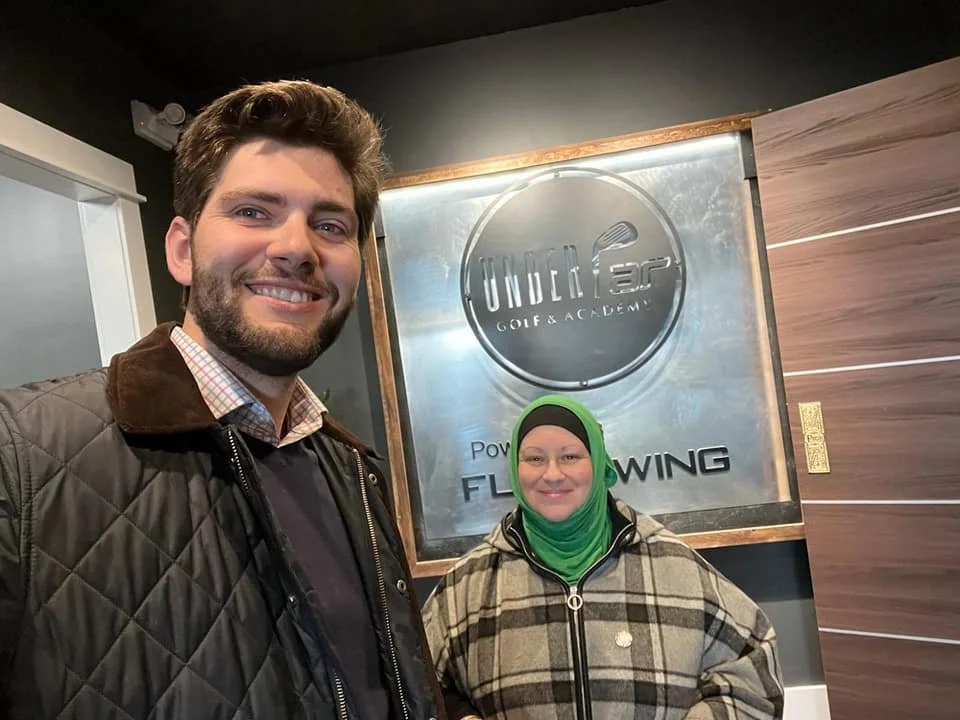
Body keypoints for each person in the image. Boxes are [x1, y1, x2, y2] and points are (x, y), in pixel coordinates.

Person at [0, 80, 444, 720]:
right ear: (182, 248)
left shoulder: (354, 469)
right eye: (253, 212)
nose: (296, 247)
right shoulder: (22, 458)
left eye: (329, 224)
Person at [422, 394, 783, 719]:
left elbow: (753, 670)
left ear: (598, 465)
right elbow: (414, 682)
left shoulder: (672, 563)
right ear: (515, 471)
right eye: (534, 458)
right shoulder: (468, 585)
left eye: (570, 456)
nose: (552, 474)